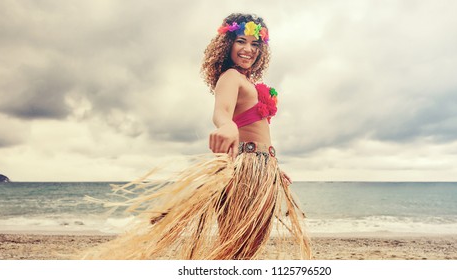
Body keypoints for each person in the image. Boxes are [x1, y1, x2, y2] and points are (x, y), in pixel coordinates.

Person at [81, 13, 311, 260]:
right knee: (236, 248)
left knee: (247, 248)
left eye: (255, 44)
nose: (249, 49)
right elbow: (221, 113)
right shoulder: (231, 77)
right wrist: (227, 127)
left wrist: (273, 164)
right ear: (228, 45)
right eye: (241, 41)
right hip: (245, 170)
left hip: (263, 171)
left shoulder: (248, 82)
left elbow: (259, 129)